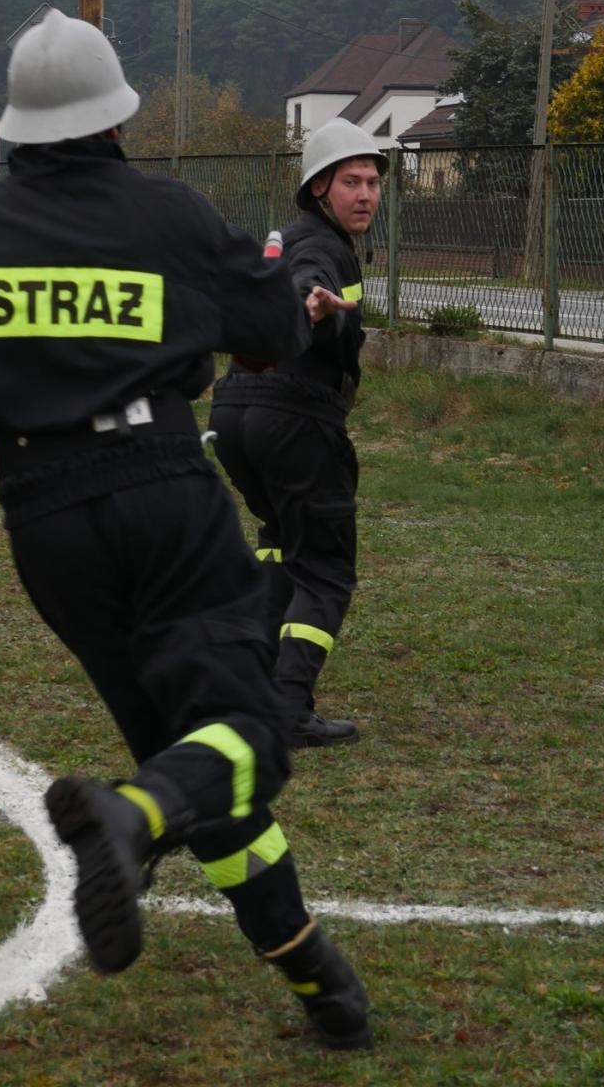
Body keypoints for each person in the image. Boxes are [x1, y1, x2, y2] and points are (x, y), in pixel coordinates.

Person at [0, 10, 373, 1052]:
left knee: (190, 756)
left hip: (47, 519)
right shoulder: (166, 212)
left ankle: (319, 982)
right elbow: (264, 335)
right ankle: (127, 822)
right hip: (164, 485)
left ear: (15, 134)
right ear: (117, 119)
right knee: (246, 735)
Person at [208, 118, 388, 749]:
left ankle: (243, 688)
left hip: (236, 412)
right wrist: (313, 307)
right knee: (327, 569)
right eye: (350, 182)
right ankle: (285, 709)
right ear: (318, 189)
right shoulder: (321, 248)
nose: (365, 194)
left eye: (372, 182)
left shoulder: (297, 236)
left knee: (282, 545)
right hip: (294, 416)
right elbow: (305, 284)